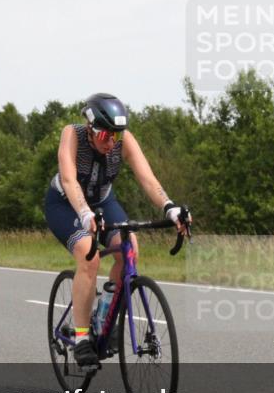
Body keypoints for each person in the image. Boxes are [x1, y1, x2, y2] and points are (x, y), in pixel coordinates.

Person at [43, 93, 190, 367]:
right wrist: (84, 213)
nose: (111, 142)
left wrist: (170, 207)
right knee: (89, 255)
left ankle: (104, 316)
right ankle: (82, 337)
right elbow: (69, 179)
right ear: (90, 128)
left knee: (129, 250)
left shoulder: (124, 142)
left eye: (116, 136)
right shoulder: (72, 135)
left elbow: (148, 179)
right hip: (65, 204)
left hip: (102, 202)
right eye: (105, 135)